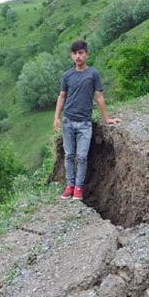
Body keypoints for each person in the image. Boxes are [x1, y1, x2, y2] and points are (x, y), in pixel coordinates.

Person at [53, 39, 121, 200]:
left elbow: (99, 97)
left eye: (81, 53)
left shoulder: (93, 74)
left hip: (85, 123)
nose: (78, 56)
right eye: (75, 53)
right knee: (69, 155)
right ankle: (69, 186)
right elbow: (62, 96)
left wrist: (107, 118)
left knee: (82, 157)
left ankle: (78, 188)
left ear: (86, 54)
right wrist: (56, 117)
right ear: (71, 56)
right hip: (68, 121)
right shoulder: (67, 75)